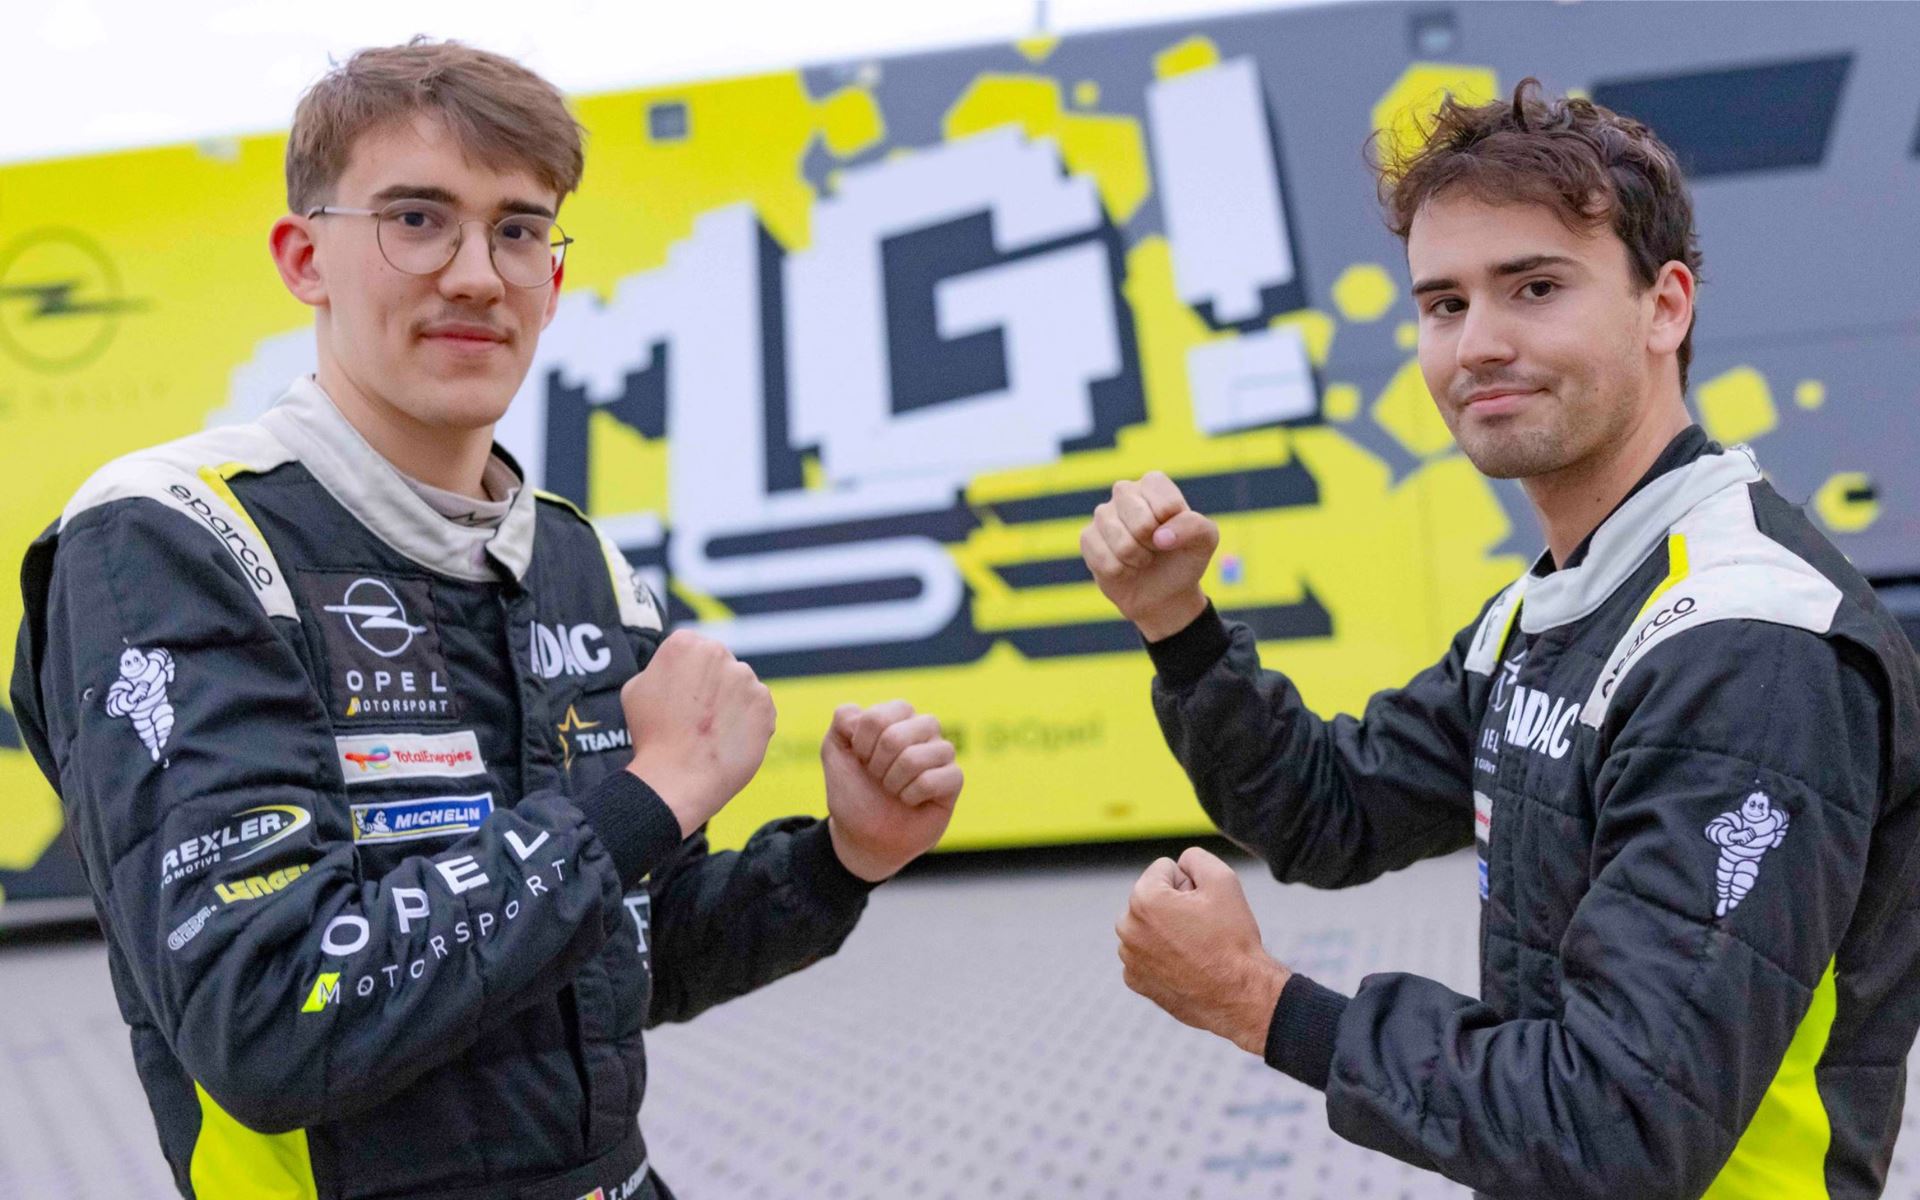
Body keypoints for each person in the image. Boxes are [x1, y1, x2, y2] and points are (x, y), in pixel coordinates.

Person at [10, 39, 963, 1200]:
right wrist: (644, 796)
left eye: (518, 229)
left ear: (552, 279)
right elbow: (264, 1017)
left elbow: (627, 953)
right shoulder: (173, 534)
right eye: (417, 220)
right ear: (305, 258)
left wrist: (839, 859)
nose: (476, 275)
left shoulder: (581, 563)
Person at [1084, 80, 1920, 1199]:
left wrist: (1260, 1001)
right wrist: (1177, 624)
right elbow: (1328, 813)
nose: (1478, 344)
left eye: (1535, 287)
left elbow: (1619, 1127)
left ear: (1664, 307)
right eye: (1444, 303)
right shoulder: (1558, 603)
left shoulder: (1750, 643)